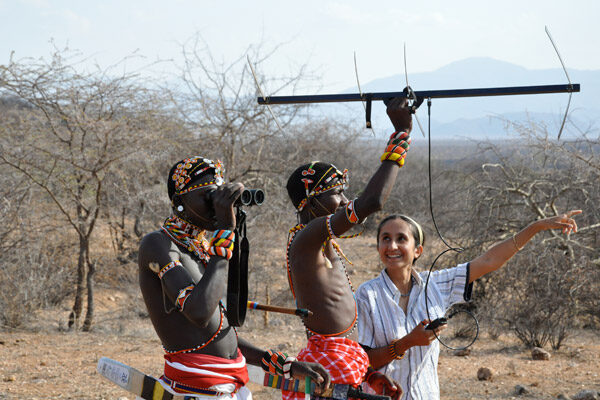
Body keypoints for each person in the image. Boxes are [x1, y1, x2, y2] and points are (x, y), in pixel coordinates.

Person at [138, 156, 331, 399]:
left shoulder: (202, 248)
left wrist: (287, 366)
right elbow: (199, 312)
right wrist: (225, 234)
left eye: (220, 195)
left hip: (228, 386)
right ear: (179, 202)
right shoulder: (158, 244)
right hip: (196, 389)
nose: (216, 205)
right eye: (208, 196)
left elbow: (218, 335)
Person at [356, 210, 582, 399]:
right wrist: (407, 343)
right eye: (385, 238)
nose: (392, 245)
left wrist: (536, 227)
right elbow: (362, 362)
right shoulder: (367, 295)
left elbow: (489, 260)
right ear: (378, 247)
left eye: (401, 239)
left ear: (418, 250)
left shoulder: (435, 284)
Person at [283, 98, 415, 400]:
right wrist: (401, 133)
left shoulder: (319, 241)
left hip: (343, 364)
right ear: (309, 202)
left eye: (344, 193)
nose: (344, 201)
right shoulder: (307, 237)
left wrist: (369, 375)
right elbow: (371, 202)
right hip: (330, 367)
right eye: (336, 193)